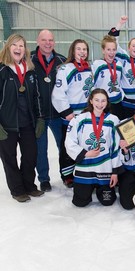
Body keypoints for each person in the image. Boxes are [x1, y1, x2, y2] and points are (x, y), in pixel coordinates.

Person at [0, 34, 45, 202]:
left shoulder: (30, 71)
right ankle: (17, 190)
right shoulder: (2, 70)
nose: (18, 49)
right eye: (14, 45)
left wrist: (40, 118)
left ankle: (29, 186)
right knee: (9, 158)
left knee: (30, 155)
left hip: (27, 123)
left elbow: (37, 97)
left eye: (21, 46)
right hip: (7, 125)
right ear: (8, 47)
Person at [65, 89, 122, 207]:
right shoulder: (79, 119)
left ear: (107, 102)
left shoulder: (113, 120)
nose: (100, 104)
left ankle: (101, 187)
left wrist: (115, 173)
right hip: (85, 167)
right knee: (80, 203)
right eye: (97, 100)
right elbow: (69, 142)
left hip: (104, 168)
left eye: (103, 101)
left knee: (108, 201)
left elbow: (116, 147)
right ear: (91, 101)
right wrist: (85, 153)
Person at [52, 39, 94, 188]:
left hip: (86, 115)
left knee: (84, 144)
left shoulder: (90, 68)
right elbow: (58, 93)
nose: (82, 52)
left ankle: (83, 170)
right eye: (79, 49)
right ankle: (67, 175)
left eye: (85, 49)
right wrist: (67, 113)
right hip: (71, 116)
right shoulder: (65, 69)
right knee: (68, 146)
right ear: (73, 51)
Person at [31, 29, 67, 192]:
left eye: (51, 40)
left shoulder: (62, 61)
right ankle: (44, 179)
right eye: (44, 40)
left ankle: (67, 175)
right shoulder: (29, 60)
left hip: (59, 114)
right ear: (38, 41)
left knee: (64, 147)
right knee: (40, 149)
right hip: (39, 115)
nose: (48, 43)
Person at [108, 16, 135, 120]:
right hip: (125, 104)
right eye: (133, 46)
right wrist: (119, 24)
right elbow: (112, 41)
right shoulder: (124, 58)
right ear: (129, 48)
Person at [92, 35, 125, 118]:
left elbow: (120, 83)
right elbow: (92, 85)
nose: (111, 52)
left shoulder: (119, 65)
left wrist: (121, 95)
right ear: (103, 50)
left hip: (118, 103)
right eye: (108, 50)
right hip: (102, 104)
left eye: (114, 50)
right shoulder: (97, 64)